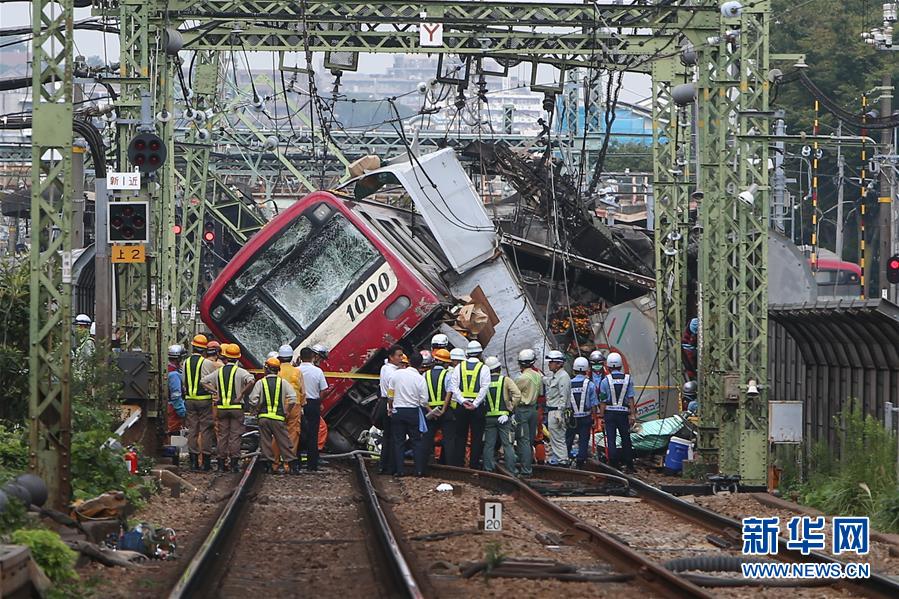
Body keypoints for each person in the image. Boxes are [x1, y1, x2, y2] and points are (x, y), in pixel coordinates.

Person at [202, 344, 254, 472]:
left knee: (222, 435)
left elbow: (203, 381)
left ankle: (221, 463)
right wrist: (242, 394)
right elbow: (251, 381)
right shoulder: (241, 372)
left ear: (226, 357)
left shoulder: (219, 372)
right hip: (236, 407)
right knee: (235, 435)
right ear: (237, 358)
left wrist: (216, 392)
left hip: (222, 408)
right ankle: (234, 464)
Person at [249, 357, 300, 474]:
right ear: (278, 370)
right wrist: (287, 411)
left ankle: (268, 465)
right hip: (278, 418)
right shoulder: (283, 383)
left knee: (265, 441)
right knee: (284, 441)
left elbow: (253, 400)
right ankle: (292, 464)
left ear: (266, 369)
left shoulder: (261, 383)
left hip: (264, 417)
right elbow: (293, 399)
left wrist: (257, 408)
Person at [450, 340, 492, 468]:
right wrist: (475, 403)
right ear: (480, 354)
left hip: (461, 407)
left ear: (467, 353)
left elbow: (453, 386)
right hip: (477, 408)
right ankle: (474, 464)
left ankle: (458, 463)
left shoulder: (459, 367)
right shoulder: (484, 368)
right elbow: (485, 387)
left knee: (460, 436)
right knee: (477, 437)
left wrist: (462, 401)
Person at [388, 351, 429, 476]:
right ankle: (419, 470)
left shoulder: (396, 374)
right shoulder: (420, 379)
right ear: (421, 364)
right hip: (412, 412)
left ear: (409, 361)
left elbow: (390, 395)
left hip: (398, 411)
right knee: (416, 441)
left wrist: (390, 408)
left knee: (399, 442)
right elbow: (424, 400)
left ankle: (400, 471)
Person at [182, 334, 219, 471]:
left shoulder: (186, 362)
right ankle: (206, 462)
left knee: (193, 430)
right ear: (204, 350)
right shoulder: (207, 363)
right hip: (204, 400)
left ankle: (193, 462)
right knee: (206, 430)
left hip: (190, 400)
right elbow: (212, 381)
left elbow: (184, 381)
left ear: (193, 347)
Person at [599, 352, 637, 473]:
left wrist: (601, 416)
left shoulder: (605, 381)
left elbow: (603, 401)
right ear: (620, 365)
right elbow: (630, 398)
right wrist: (632, 414)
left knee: (611, 439)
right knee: (626, 438)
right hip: (623, 414)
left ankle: (614, 465)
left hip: (609, 414)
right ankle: (629, 465)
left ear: (608, 366)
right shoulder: (628, 379)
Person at [482, 356, 521, 474]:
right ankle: (511, 470)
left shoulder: (484, 381)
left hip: (489, 417)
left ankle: (488, 468)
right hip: (503, 417)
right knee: (507, 444)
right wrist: (510, 409)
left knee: (489, 444)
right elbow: (517, 395)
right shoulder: (506, 380)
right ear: (499, 368)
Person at [271, 344, 306, 471]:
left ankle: (274, 464)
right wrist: (302, 404)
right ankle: (288, 464)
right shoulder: (297, 372)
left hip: (278, 405)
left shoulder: (276, 371)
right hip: (294, 405)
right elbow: (302, 391)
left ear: (279, 357)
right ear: (291, 357)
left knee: (276, 433)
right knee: (293, 434)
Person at [375, 345, 405, 474]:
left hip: (385, 402)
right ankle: (391, 467)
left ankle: (383, 465)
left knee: (388, 436)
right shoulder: (393, 372)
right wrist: (391, 408)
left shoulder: (385, 368)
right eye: (399, 355)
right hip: (390, 403)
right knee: (393, 436)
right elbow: (392, 391)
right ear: (391, 357)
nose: (401, 358)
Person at [422, 349, 454, 464]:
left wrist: (430, 410)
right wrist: (443, 410)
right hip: (444, 411)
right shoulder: (448, 374)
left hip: (430, 411)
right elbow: (449, 393)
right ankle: (449, 465)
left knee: (427, 438)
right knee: (449, 439)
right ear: (444, 363)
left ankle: (424, 463)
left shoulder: (425, 375)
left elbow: (423, 396)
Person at [298, 346, 328, 471]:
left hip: (299, 404)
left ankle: (297, 463)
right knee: (313, 434)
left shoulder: (296, 371)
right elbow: (324, 389)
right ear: (312, 357)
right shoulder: (318, 371)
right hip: (313, 403)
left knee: (298, 432)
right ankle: (312, 465)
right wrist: (318, 401)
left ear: (300, 357)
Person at [567, 357, 599, 469]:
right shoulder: (590, 384)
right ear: (586, 370)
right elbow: (594, 403)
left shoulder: (569, 383)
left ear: (574, 369)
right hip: (585, 417)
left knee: (569, 438)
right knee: (584, 440)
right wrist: (594, 418)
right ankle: (580, 462)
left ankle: (566, 459)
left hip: (572, 418)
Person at [513, 349, 541, 477]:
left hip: (523, 411)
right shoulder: (537, 375)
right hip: (533, 410)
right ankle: (527, 462)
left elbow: (513, 393)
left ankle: (526, 470)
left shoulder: (522, 378)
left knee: (523, 440)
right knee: (529, 440)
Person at [544, 350, 571, 466]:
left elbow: (563, 396)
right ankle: (560, 458)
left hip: (557, 411)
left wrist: (560, 412)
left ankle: (563, 460)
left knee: (558, 437)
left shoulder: (563, 377)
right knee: (554, 437)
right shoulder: (556, 376)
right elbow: (549, 382)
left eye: (551, 362)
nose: (549, 364)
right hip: (553, 411)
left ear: (559, 364)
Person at [166, 345, 187, 437]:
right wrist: (181, 411)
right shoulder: (174, 374)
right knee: (174, 432)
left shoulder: (170, 369)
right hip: (174, 408)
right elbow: (176, 394)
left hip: (172, 406)